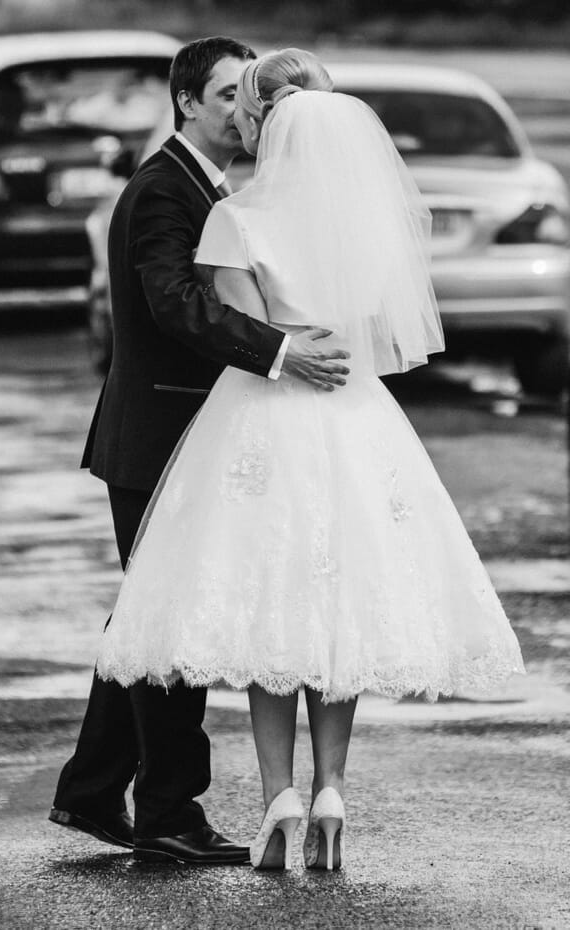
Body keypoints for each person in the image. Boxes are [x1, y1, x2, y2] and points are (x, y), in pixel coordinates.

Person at [96, 49, 525, 871]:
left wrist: (285, 347)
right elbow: (369, 325)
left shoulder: (238, 218)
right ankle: (332, 791)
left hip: (264, 420)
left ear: (266, 122)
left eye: (244, 102)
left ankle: (279, 798)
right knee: (340, 606)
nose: (237, 115)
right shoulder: (363, 221)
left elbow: (241, 330)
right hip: (357, 418)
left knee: (274, 611)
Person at [52, 36, 354, 866]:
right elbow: (173, 303)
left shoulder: (210, 189)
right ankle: (169, 813)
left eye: (248, 96)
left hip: (187, 434)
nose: (245, 110)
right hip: (157, 437)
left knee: (147, 620)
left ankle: (91, 791)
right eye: (228, 95)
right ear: (185, 100)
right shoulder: (163, 190)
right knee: (169, 626)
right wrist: (281, 350)